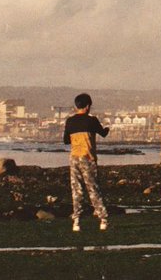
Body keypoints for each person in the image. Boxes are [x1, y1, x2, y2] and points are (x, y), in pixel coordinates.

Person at [64, 92, 110, 232]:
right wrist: (107, 128)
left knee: (76, 191)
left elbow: (66, 141)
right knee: (93, 189)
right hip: (88, 158)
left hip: (74, 158)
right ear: (88, 106)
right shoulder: (92, 120)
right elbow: (103, 133)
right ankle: (103, 219)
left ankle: (76, 221)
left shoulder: (69, 121)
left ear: (76, 106)